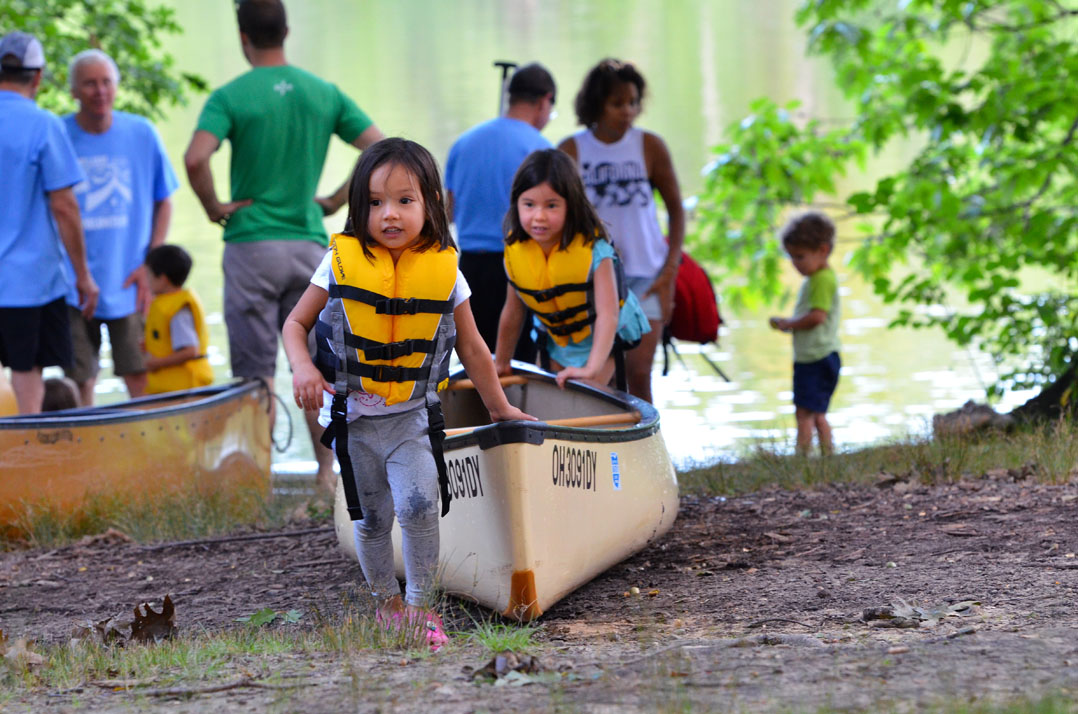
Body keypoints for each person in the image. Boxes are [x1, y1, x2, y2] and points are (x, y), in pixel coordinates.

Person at [282, 138, 533, 651]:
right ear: (359, 209)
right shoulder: (336, 265)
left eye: (404, 200)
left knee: (420, 507)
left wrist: (500, 407)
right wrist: (302, 366)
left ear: (431, 204)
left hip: (412, 418)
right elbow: (295, 324)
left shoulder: (446, 273)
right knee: (373, 518)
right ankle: (387, 605)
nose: (389, 214)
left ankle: (420, 609)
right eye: (375, 203)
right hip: (354, 422)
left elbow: (473, 347)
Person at [183, 0, 385, 493]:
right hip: (309, 249)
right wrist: (336, 200)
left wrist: (214, 207)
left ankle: (258, 481)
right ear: (287, 30)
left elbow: (195, 158)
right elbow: (380, 148)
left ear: (243, 37)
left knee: (255, 375)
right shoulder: (323, 93)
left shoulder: (231, 96)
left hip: (251, 248)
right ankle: (325, 477)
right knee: (317, 363)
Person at [558, 58, 684, 404]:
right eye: (617, 103)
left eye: (633, 102)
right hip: (592, 278)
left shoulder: (650, 146)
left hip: (648, 276)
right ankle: (608, 437)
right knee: (604, 376)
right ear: (597, 104)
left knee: (640, 372)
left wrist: (670, 271)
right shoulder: (572, 150)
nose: (628, 111)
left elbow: (676, 209)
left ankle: (649, 438)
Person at [62, 49, 179, 406]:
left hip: (130, 280)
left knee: (139, 372)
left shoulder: (141, 132)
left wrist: (150, 264)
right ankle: (85, 436)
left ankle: (144, 439)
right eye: (89, 83)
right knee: (80, 377)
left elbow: (164, 201)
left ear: (116, 86)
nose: (100, 91)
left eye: (106, 82)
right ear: (74, 91)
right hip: (71, 282)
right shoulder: (58, 134)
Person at [0, 31, 99, 414]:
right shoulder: (42, 125)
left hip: (25, 283)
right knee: (27, 374)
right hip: (29, 283)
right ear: (38, 76)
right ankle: (27, 444)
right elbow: (64, 207)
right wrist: (83, 275)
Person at [493, 149, 649, 390]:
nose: (539, 216)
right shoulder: (516, 252)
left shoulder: (596, 251)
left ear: (571, 205)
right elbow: (513, 312)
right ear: (517, 204)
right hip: (555, 342)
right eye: (529, 204)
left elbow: (608, 315)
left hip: (602, 342)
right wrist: (501, 362)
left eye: (551, 205)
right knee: (547, 401)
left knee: (584, 396)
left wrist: (591, 369)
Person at [445, 63, 556, 360]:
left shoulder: (463, 143)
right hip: (519, 266)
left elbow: (449, 213)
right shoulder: (542, 150)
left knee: (476, 360)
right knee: (519, 365)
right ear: (544, 101)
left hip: (469, 269)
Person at [768, 212, 841, 455]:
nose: (795, 263)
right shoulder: (818, 278)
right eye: (791, 257)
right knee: (816, 412)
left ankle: (802, 458)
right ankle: (827, 456)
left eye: (800, 256)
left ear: (823, 250)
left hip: (816, 359)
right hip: (818, 356)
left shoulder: (821, 279)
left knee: (804, 413)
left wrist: (789, 323)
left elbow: (818, 316)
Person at [142, 244, 213, 395]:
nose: (146, 281)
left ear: (163, 279)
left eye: (149, 275)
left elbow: (190, 351)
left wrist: (156, 363)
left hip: (185, 391)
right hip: (169, 390)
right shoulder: (164, 304)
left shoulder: (178, 310)